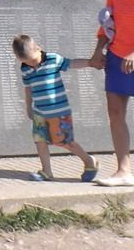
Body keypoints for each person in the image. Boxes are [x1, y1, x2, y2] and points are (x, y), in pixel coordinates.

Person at [12, 34, 98, 182]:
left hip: (59, 111)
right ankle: (47, 171)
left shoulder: (53, 59)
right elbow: (28, 88)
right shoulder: (25, 69)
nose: (31, 64)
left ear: (38, 48)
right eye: (26, 61)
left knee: (65, 142)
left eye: (33, 60)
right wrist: (28, 107)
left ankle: (89, 161)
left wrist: (90, 62)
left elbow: (71, 63)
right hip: (40, 112)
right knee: (40, 141)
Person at [89, 0, 134, 186]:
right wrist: (98, 52)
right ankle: (123, 171)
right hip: (117, 57)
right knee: (115, 114)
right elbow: (108, 25)